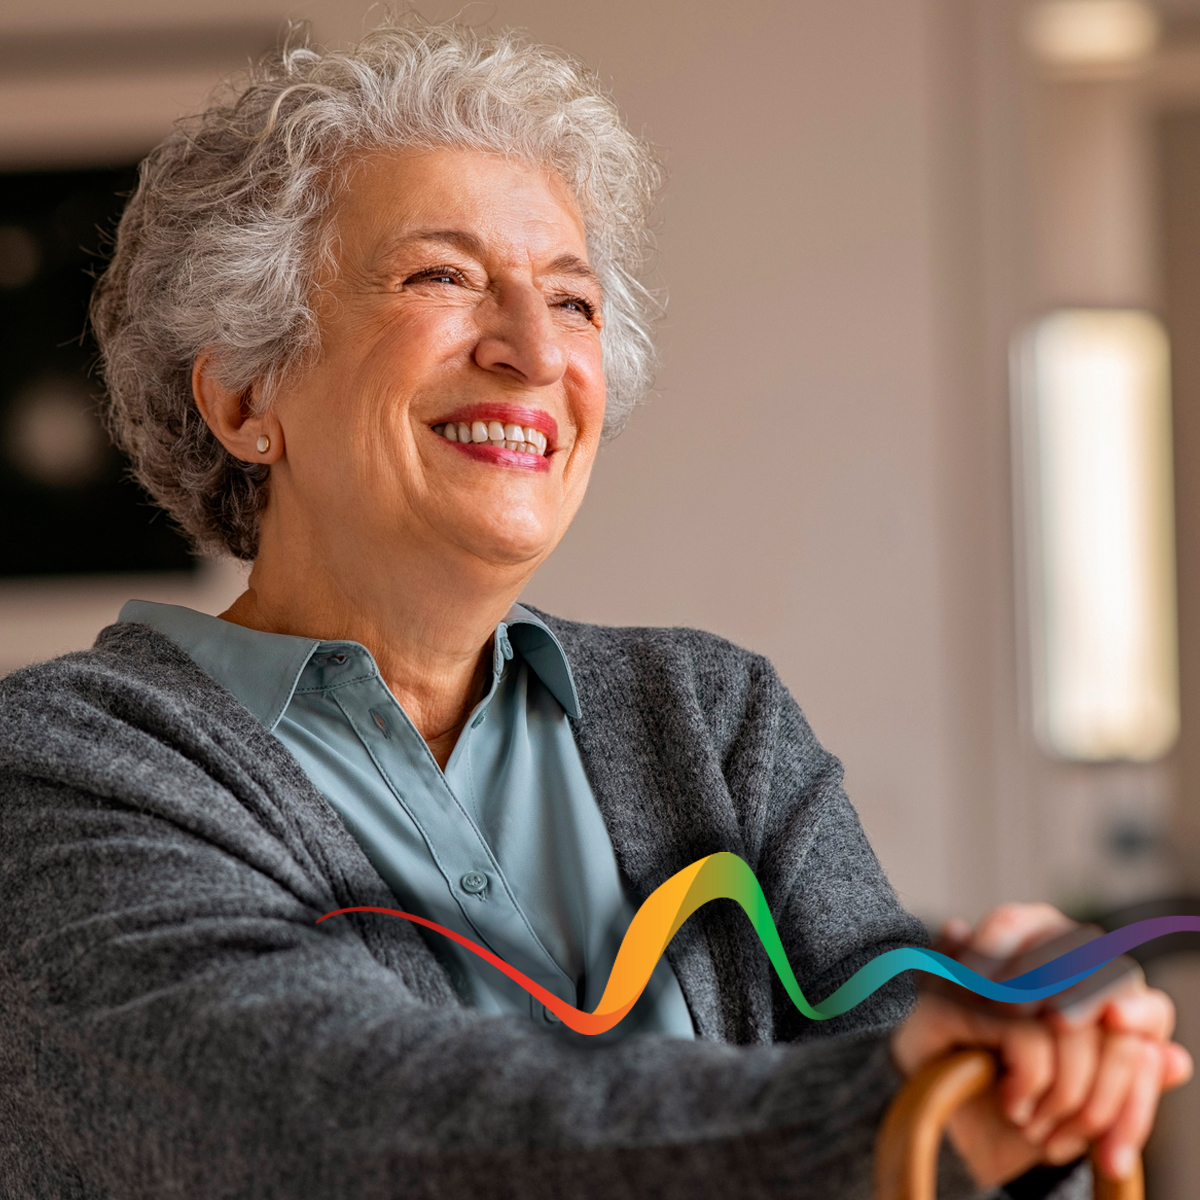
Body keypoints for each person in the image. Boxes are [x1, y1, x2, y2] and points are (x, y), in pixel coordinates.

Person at [0, 20, 1190, 1199]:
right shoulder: (64, 766)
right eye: (443, 277)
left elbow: (924, 1104)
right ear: (247, 394)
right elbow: (320, 1125)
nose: (533, 350)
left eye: (572, 302)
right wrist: (884, 1111)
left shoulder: (712, 721)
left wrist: (1026, 1062)